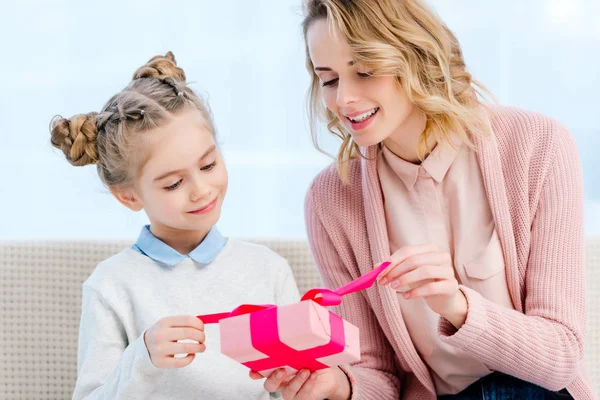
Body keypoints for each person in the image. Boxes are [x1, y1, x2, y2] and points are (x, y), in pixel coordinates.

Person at [252, 1, 592, 399]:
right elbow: (376, 373)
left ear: (414, 57)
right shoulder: (332, 200)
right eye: (328, 80)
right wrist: (338, 385)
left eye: (364, 71)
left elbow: (561, 355)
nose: (344, 98)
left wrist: (456, 305)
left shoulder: (539, 147)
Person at [50, 51, 299, 399]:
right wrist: (145, 357)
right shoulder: (112, 285)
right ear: (128, 196)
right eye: (173, 184)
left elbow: (295, 387)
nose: (201, 190)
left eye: (209, 165)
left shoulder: (268, 271)